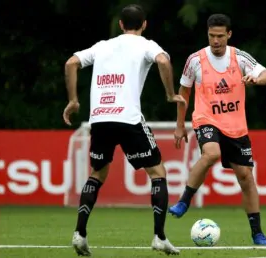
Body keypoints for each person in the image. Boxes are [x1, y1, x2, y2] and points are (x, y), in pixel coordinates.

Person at [62, 4, 185, 256]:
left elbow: (71, 63)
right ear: (144, 24)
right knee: (157, 172)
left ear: (120, 25)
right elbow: (163, 60)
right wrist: (171, 95)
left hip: (99, 119)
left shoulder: (102, 46)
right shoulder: (148, 45)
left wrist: (73, 100)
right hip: (128, 119)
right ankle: (159, 237)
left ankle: (80, 233)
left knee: (97, 174)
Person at [168, 13, 266, 246]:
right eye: (211, 36)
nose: (215, 41)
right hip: (206, 119)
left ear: (229, 35)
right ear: (207, 35)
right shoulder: (195, 60)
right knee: (212, 154)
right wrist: (179, 126)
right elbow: (183, 93)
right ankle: (184, 201)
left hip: (236, 127)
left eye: (220, 36)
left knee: (246, 177)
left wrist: (257, 80)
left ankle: (257, 233)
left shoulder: (240, 57)